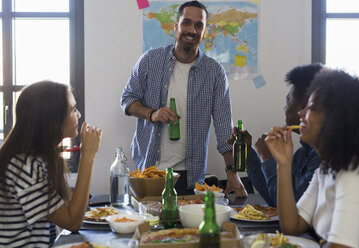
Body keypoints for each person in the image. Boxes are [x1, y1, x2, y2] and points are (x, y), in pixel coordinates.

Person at [121, 0, 246, 197]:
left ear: (204, 32)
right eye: (186, 23)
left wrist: (232, 173)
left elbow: (224, 126)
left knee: (186, 228)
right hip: (149, 170)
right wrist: (152, 114)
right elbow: (127, 100)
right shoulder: (150, 60)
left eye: (199, 25)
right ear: (175, 26)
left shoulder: (214, 72)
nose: (192, 30)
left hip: (190, 177)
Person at [265, 69, 359, 247]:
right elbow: (292, 226)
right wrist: (283, 164)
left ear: (336, 119)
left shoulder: (355, 172)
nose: (301, 113)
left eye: (311, 107)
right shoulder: (327, 167)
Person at [0, 81, 102, 247]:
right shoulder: (24, 166)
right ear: (53, 121)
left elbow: (66, 210)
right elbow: (72, 222)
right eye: (73, 110)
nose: (79, 115)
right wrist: (88, 156)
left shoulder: (38, 158)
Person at [228, 64, 322, 206]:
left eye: (288, 101)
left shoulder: (321, 158)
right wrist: (250, 154)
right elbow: (274, 198)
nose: (285, 108)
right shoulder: (303, 153)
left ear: (306, 106)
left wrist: (268, 159)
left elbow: (292, 208)